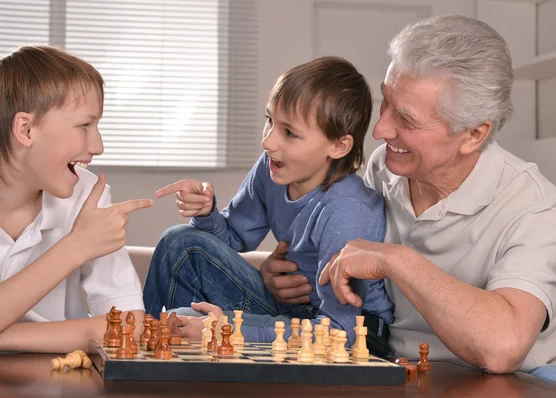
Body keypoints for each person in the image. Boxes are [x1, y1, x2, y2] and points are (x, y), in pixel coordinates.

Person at [260, 15, 556, 381]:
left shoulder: (534, 206)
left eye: (406, 119)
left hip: (496, 383)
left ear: (473, 135)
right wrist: (277, 276)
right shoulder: (384, 166)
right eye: (385, 101)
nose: (381, 129)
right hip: (385, 368)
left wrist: (397, 261)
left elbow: (503, 347)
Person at [143, 56, 394, 351]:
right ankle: (155, 352)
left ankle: (184, 353)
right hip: (291, 310)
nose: (268, 142)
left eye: (289, 133)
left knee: (183, 320)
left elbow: (341, 330)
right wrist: (206, 212)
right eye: (270, 121)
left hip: (348, 333)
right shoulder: (273, 167)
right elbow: (233, 238)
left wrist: (222, 328)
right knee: (179, 242)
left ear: (338, 145)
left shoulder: (345, 210)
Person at [0, 45, 153, 354]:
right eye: (84, 125)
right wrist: (76, 247)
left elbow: (128, 325)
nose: (98, 146)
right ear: (26, 129)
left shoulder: (87, 194)